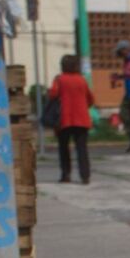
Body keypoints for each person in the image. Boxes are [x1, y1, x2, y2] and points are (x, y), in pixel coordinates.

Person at [48, 54, 95, 185]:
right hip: (82, 119)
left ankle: (66, 174)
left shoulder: (59, 79)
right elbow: (90, 98)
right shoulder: (82, 80)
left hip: (64, 119)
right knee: (82, 148)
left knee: (63, 148)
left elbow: (53, 95)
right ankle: (85, 176)